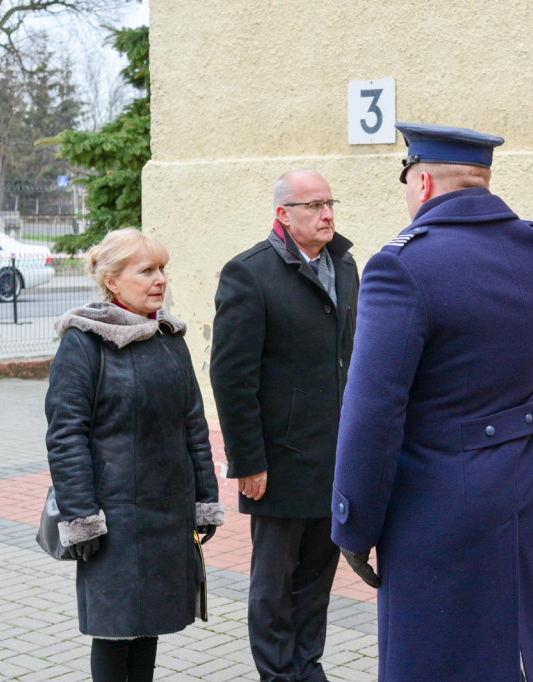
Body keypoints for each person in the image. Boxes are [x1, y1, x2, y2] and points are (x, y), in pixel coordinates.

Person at [330, 123, 533, 682]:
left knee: (435, 662)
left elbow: (372, 414)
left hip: (436, 507)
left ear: (421, 182)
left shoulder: (401, 266)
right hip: (518, 491)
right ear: (482, 179)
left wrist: (353, 523)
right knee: (500, 659)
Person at [45, 228, 225, 682]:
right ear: (112, 280)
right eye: (146, 270)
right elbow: (66, 436)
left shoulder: (169, 337)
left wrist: (204, 499)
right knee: (114, 632)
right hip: (113, 519)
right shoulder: (83, 343)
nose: (160, 279)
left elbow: (193, 425)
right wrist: (81, 516)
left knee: (149, 631)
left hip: (167, 513)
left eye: (162, 269)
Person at [210, 169, 359, 682]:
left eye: (330, 202)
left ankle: (306, 666)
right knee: (274, 585)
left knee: (317, 579)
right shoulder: (249, 274)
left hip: (333, 455)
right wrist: (248, 461)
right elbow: (231, 377)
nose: (327, 214)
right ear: (283, 214)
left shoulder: (344, 265)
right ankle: (277, 674)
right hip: (278, 461)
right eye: (314, 205)